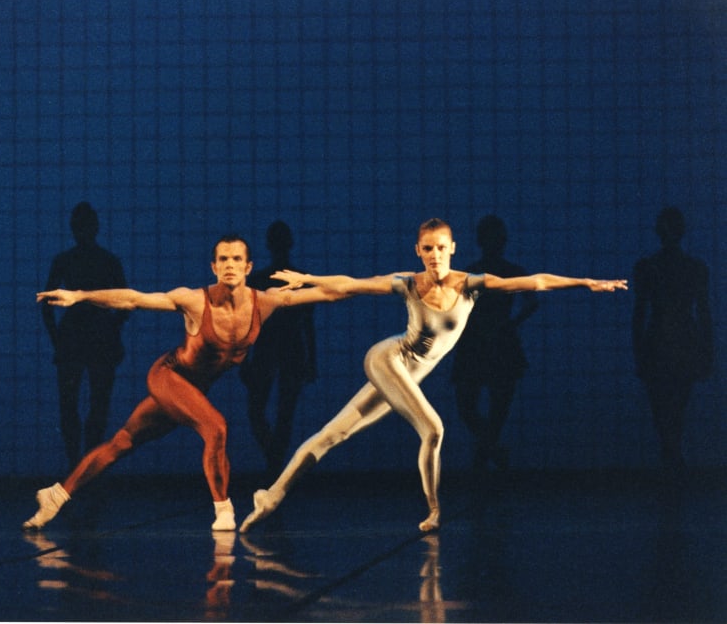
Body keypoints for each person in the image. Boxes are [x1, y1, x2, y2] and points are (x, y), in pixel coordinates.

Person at [240, 217, 627, 533]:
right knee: (434, 428)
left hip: (406, 376)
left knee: (333, 434)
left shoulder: (471, 285)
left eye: (442, 248)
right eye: (428, 248)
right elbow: (352, 285)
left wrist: (586, 282)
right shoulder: (410, 283)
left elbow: (535, 281)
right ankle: (434, 511)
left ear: (453, 249)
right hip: (386, 360)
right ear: (418, 251)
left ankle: (271, 496)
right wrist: (308, 281)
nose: (435, 255)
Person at [22, 234, 351, 532]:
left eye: (237, 259)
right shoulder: (194, 300)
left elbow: (330, 294)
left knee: (122, 442)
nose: (230, 265)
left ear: (249, 266)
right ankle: (223, 511)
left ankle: (57, 494)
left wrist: (370, 283)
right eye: (223, 259)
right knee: (217, 427)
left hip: (191, 391)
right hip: (168, 377)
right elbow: (134, 299)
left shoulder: (266, 302)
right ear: (213, 266)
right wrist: (80, 295)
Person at [43, 202, 130, 469]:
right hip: (99, 335)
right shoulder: (107, 260)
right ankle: (88, 466)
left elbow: (47, 303)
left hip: (74, 335)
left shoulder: (65, 261)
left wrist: (57, 338)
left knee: (72, 406)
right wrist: (111, 326)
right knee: (96, 406)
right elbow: (125, 302)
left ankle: (76, 465)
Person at [450, 215, 539, 471]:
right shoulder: (510, 273)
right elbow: (531, 304)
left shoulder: (471, 274)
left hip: (478, 343)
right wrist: (509, 325)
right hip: (498, 342)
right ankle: (490, 455)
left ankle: (486, 457)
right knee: (493, 409)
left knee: (473, 406)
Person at [632, 206, 712, 477]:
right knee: (676, 407)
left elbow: (639, 314)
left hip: (657, 341)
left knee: (662, 408)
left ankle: (671, 459)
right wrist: (707, 351)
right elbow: (703, 314)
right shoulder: (695, 269)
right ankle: (673, 460)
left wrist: (638, 352)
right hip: (684, 340)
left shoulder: (647, 268)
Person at [239, 220, 317, 475]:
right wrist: (312, 360)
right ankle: (275, 465)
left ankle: (274, 465)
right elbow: (308, 325)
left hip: (267, 349)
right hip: (290, 350)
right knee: (283, 414)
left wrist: (244, 359)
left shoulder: (260, 279)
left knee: (260, 412)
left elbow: (249, 322)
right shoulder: (300, 280)